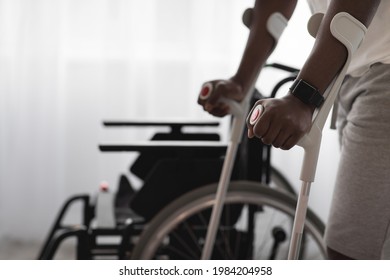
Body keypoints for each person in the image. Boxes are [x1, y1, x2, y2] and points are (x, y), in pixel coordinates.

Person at [198, 0, 390, 260]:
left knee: (350, 250)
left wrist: (303, 95)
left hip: (383, 68)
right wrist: (241, 81)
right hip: (354, 71)